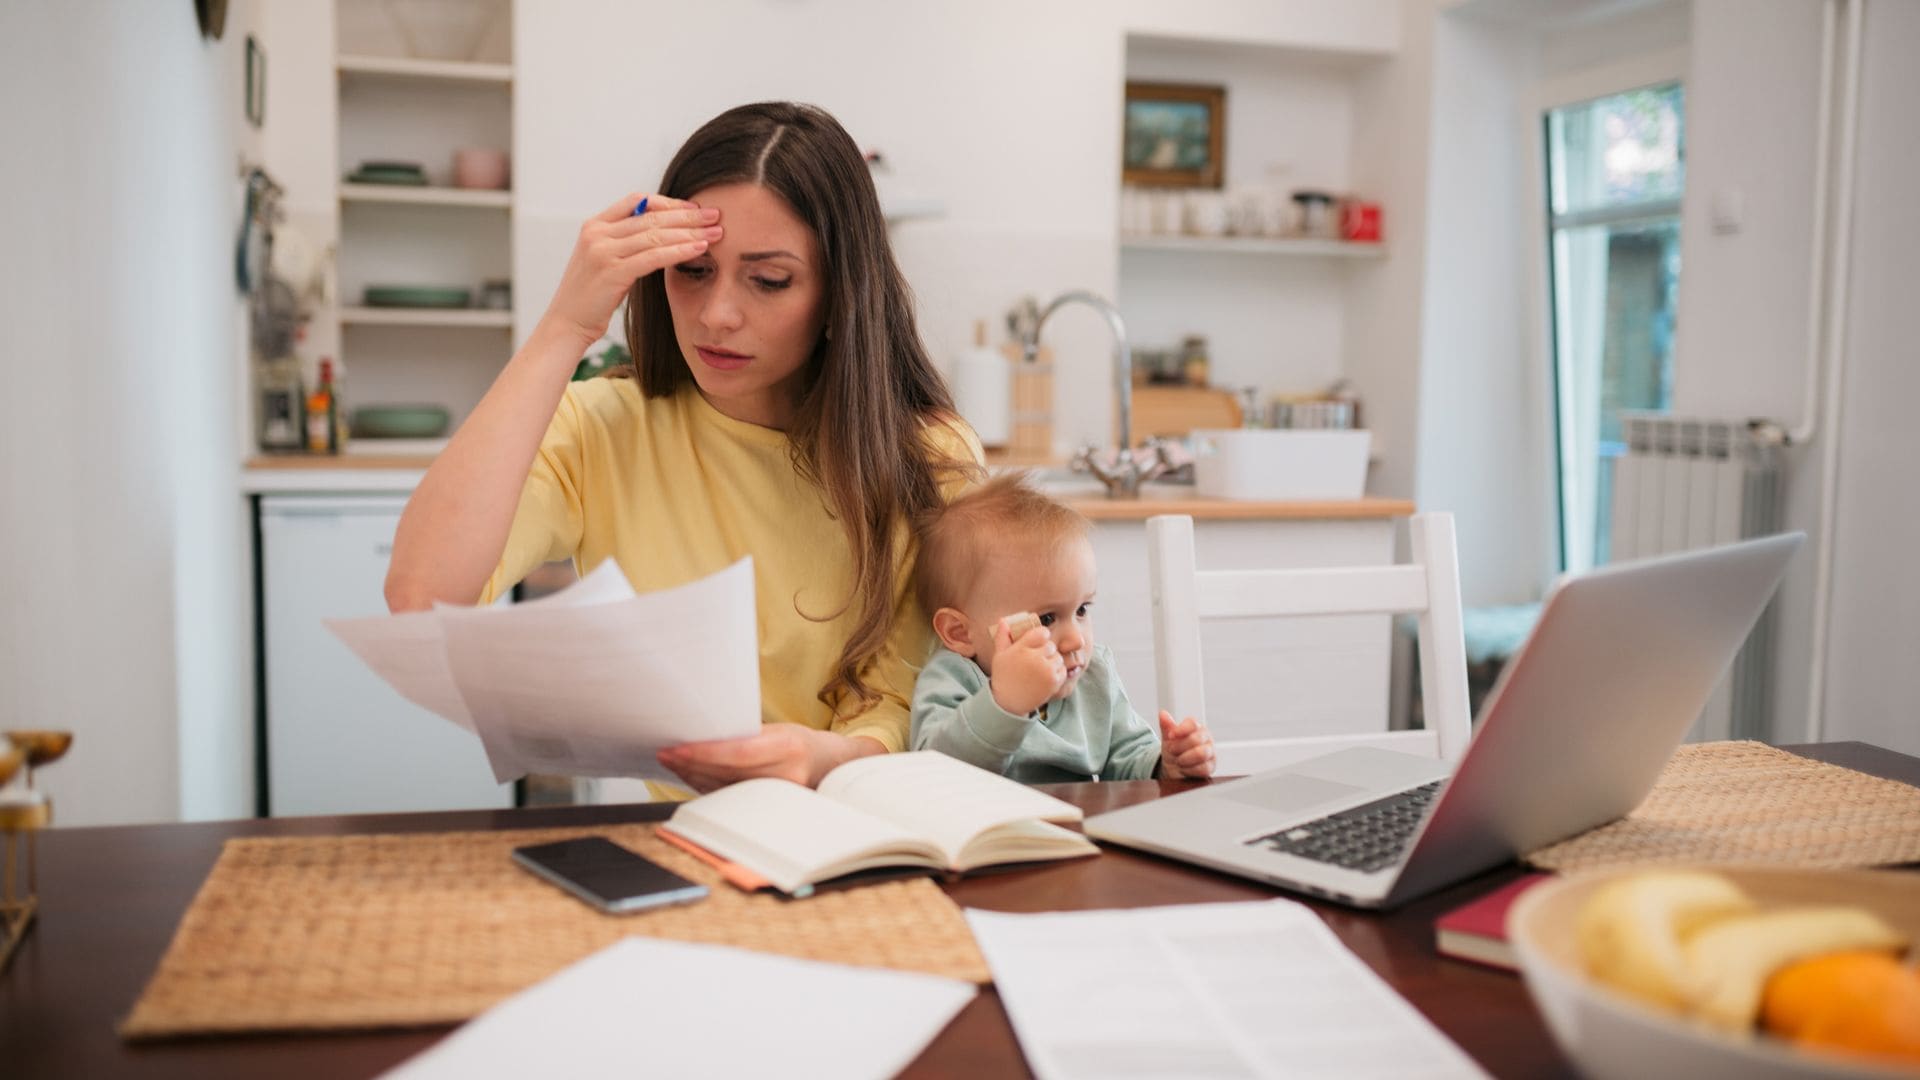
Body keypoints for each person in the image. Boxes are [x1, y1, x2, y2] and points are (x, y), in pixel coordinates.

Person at [385, 102, 981, 794]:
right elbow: (423, 596)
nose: (718, 315)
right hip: (689, 844)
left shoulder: (929, 454)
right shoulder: (603, 428)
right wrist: (563, 327)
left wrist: (827, 762)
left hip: (883, 834)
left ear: (840, 297)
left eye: (769, 280)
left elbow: (931, 704)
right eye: (692, 271)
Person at [909, 473, 1216, 782]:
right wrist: (1005, 702)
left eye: (1082, 610)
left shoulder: (1093, 674)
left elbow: (1128, 756)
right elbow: (934, 772)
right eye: (1047, 619)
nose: (1074, 640)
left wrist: (1165, 764)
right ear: (959, 633)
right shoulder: (950, 680)